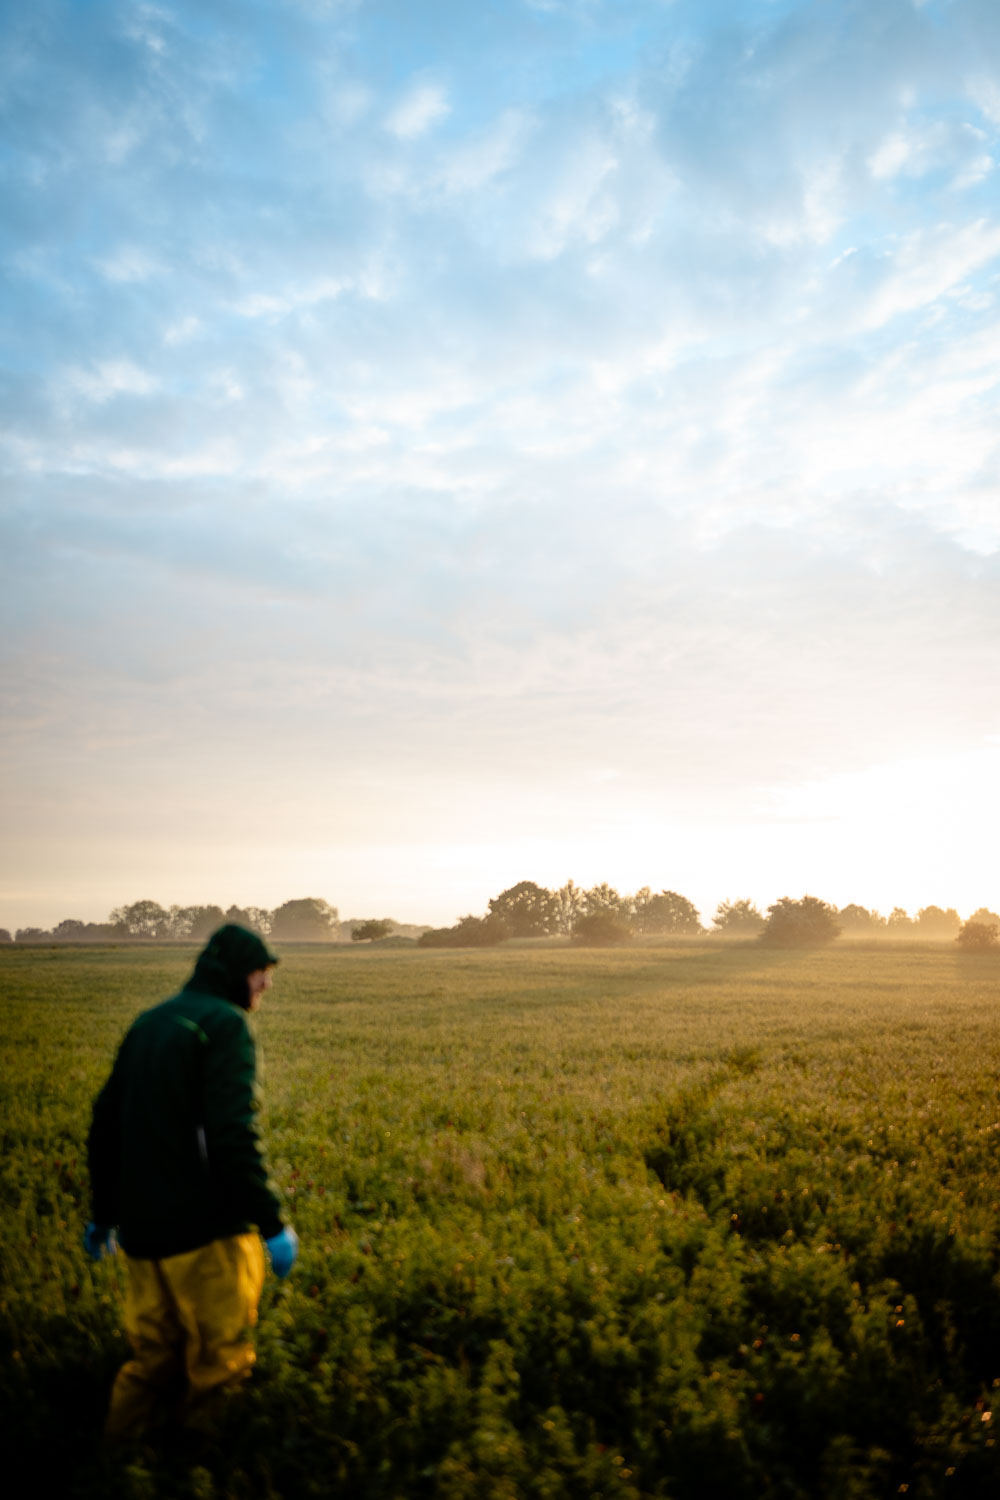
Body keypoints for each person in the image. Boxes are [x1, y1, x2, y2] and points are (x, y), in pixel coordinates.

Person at [84, 923, 299, 1440]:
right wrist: (271, 1224)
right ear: (233, 976)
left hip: (141, 1237)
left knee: (152, 1362)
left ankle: (121, 1461)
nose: (266, 985)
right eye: (259, 973)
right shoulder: (224, 1025)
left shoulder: (150, 1021)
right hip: (208, 1235)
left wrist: (104, 1215)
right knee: (219, 1365)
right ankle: (202, 1467)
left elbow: (104, 1125)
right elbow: (232, 1134)